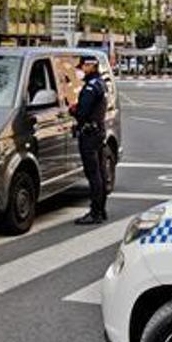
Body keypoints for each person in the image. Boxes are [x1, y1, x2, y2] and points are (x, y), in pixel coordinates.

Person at [69, 57, 108, 225]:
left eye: (84, 66)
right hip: (98, 132)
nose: (82, 70)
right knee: (100, 172)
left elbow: (82, 112)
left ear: (91, 65)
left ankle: (95, 212)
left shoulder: (91, 87)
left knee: (93, 174)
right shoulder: (100, 83)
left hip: (90, 134)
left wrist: (73, 109)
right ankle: (101, 209)